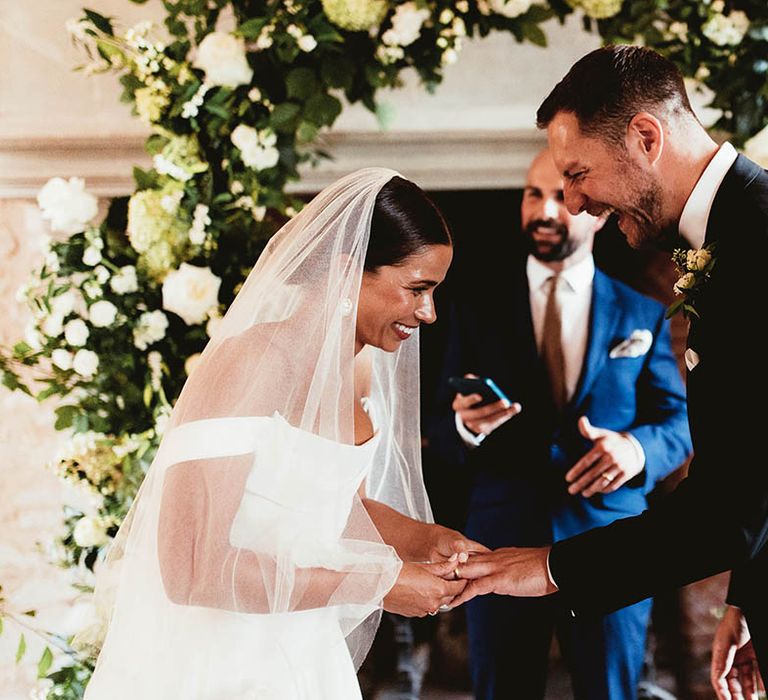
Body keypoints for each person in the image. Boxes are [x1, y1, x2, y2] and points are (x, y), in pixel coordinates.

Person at [82, 168, 485, 699]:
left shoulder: (361, 367)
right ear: (346, 271)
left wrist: (424, 539)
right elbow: (191, 568)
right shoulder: (250, 363)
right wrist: (379, 584)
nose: (428, 313)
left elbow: (335, 509)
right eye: (416, 289)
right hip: (215, 664)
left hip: (303, 653)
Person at [450, 45, 768, 699]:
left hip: (601, 540)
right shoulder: (730, 233)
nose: (570, 202)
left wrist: (547, 567)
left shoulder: (755, 245)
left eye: (577, 173)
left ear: (646, 137)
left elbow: (726, 511)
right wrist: (753, 596)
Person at [427, 149, 691, 699]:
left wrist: (636, 451)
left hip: (613, 541)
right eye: (532, 194)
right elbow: (434, 426)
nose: (544, 210)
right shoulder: (474, 305)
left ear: (595, 211)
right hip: (498, 541)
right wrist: (467, 428)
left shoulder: (641, 312)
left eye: (558, 197)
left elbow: (677, 420)